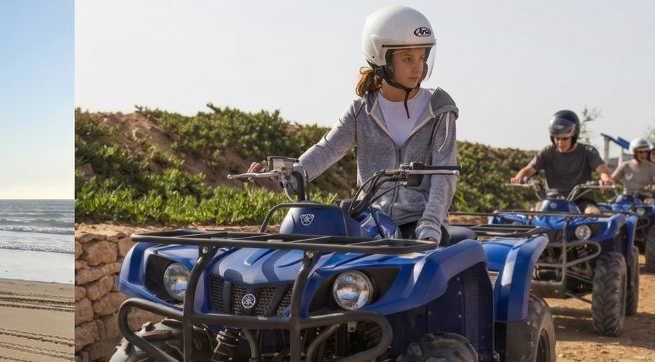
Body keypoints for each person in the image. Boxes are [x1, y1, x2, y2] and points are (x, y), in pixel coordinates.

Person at [247, 5, 458, 243]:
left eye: (422, 56)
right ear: (382, 59)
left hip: (420, 223)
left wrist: (430, 227)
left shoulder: (439, 108)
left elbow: (445, 175)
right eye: (407, 58)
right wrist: (281, 180)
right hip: (372, 220)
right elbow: (325, 150)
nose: (417, 67)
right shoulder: (361, 111)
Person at [510, 110, 614, 213]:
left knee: (592, 212)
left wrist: (606, 180)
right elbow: (529, 169)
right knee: (533, 214)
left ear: (573, 137)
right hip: (551, 202)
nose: (560, 143)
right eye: (557, 138)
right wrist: (518, 177)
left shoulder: (587, 151)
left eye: (564, 139)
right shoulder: (547, 152)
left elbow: (602, 170)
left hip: (580, 201)